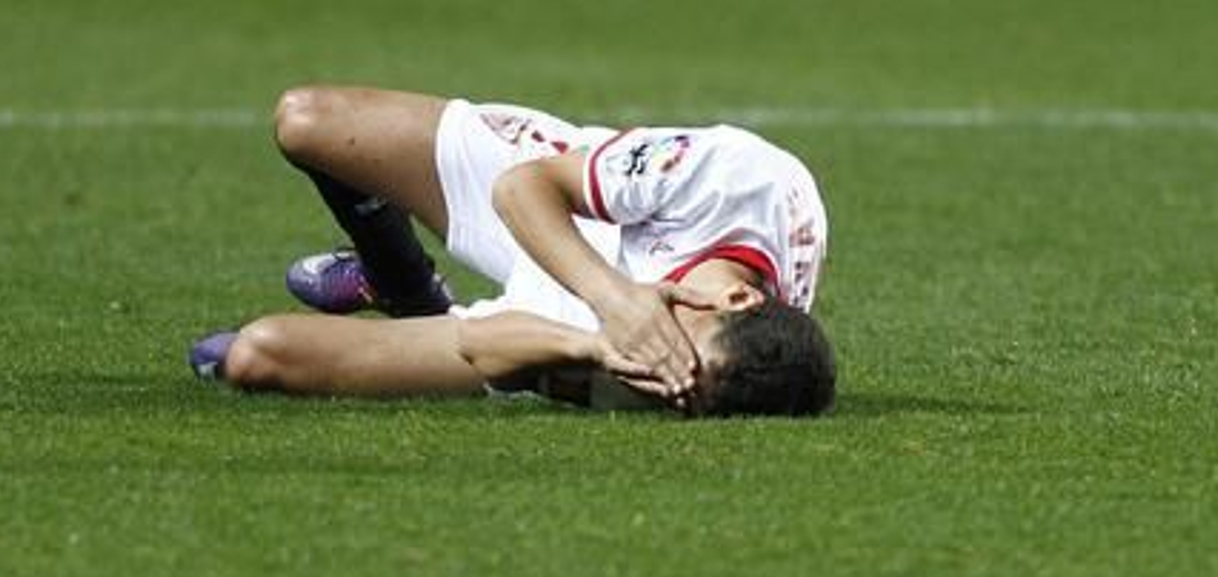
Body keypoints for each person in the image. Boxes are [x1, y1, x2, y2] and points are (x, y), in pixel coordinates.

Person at [188, 86, 836, 416]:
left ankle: (413, 302)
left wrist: (590, 343)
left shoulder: (665, 377)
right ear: (738, 297)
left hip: (555, 322)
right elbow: (522, 188)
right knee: (305, 119)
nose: (659, 353)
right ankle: (401, 282)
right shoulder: (751, 182)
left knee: (253, 356)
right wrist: (618, 300)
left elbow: (486, 348)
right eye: (676, 337)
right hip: (569, 200)